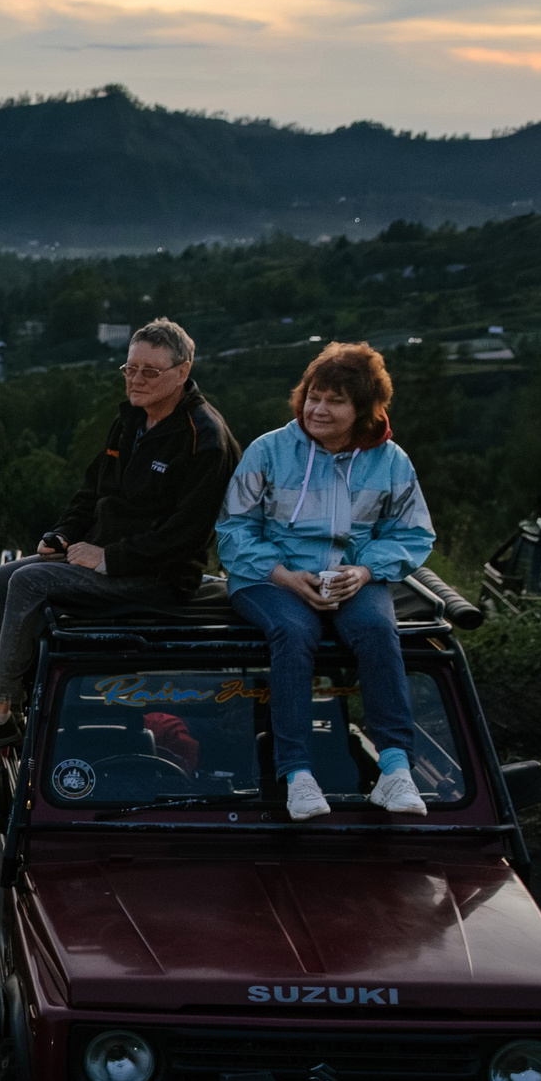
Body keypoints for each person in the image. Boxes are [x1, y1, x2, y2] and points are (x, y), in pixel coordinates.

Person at [0, 319, 238, 760]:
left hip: (156, 577)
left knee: (29, 583)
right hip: (100, 557)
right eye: (130, 368)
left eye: (150, 371)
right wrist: (63, 533)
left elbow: (185, 539)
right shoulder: (131, 418)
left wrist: (108, 556)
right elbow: (93, 489)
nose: (136, 380)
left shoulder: (204, 440)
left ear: (183, 372)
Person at [214, 341, 436, 820]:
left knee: (378, 630)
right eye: (314, 396)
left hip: (351, 579)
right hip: (266, 576)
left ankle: (396, 770)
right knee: (293, 632)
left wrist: (364, 570)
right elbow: (232, 530)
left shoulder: (392, 461)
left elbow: (413, 533)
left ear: (364, 409)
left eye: (335, 401)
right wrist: (283, 575)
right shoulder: (268, 450)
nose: (318, 408)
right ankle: (298, 775)